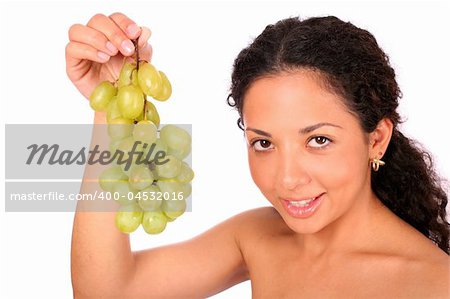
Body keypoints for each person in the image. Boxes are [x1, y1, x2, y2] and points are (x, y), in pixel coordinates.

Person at [67, 13, 450, 298]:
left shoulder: (433, 284)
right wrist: (114, 103)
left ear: (377, 139)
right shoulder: (258, 237)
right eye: (263, 143)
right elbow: (107, 290)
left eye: (318, 140)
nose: (286, 179)